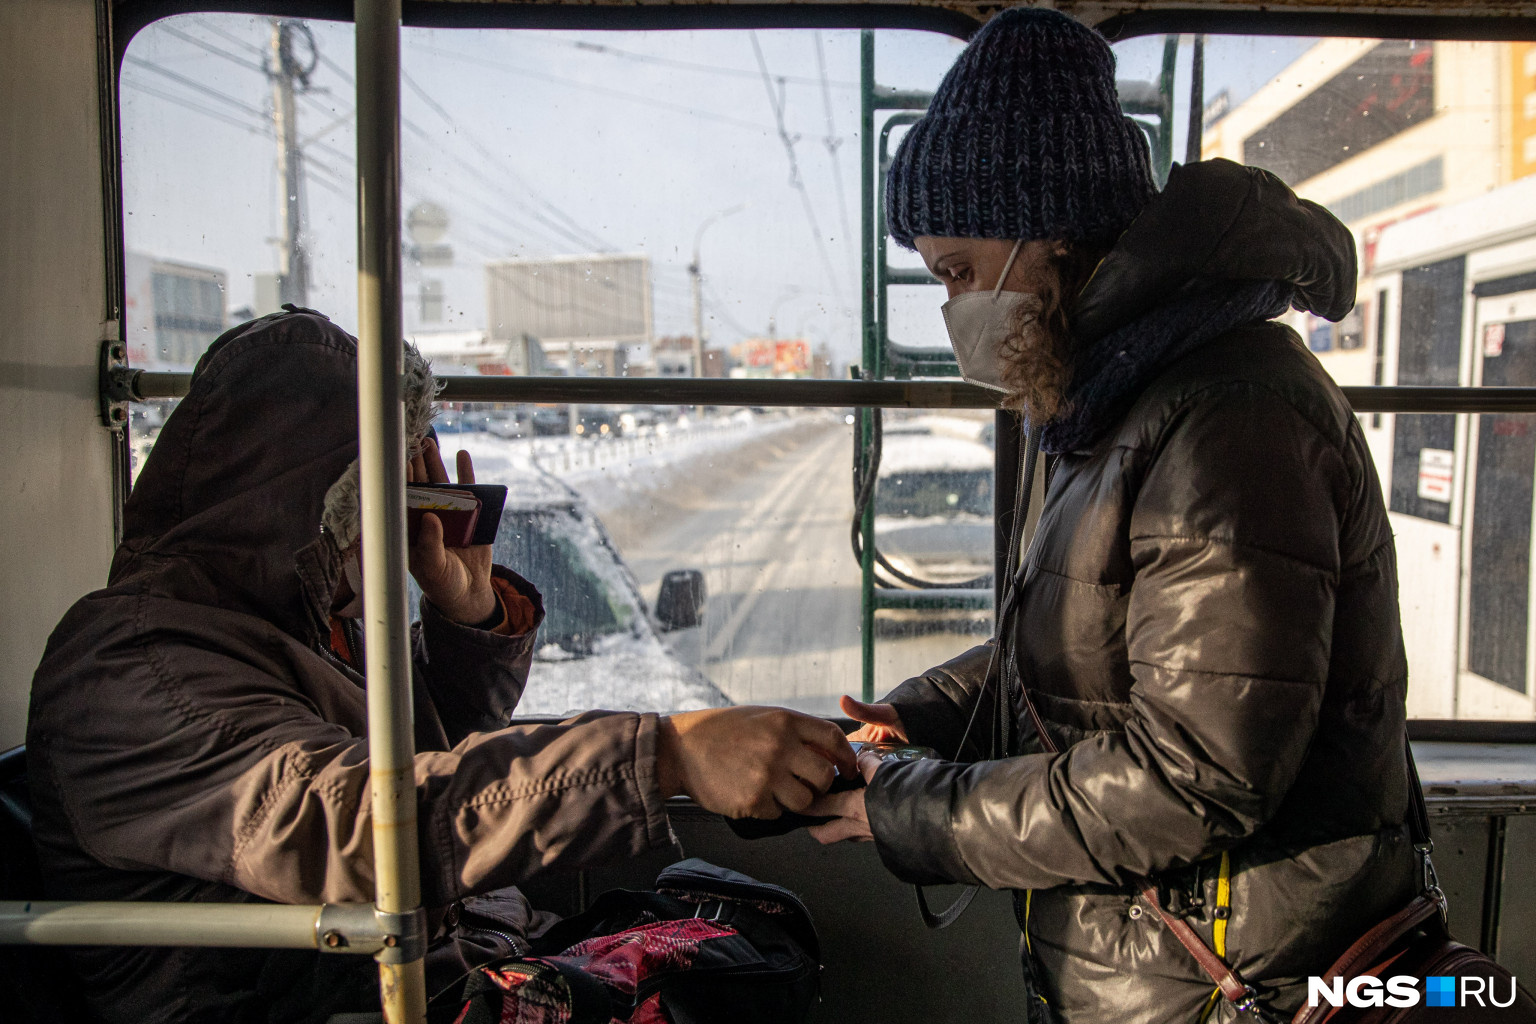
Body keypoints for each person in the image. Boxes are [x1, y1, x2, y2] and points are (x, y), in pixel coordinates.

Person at [806, 10, 1416, 1023]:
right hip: (1163, 968)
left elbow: (1198, 774)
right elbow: (1067, 662)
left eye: (958, 269)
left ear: (1049, 232)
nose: (952, 305)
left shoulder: (1227, 418)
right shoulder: (1108, 397)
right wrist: (912, 720)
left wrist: (908, 810)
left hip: (1244, 984)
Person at [25, 307, 855, 1024]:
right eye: (378, 504)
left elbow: (432, 767)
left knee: (754, 927)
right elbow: (356, 827)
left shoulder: (284, 626)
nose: (398, 533)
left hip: (432, 968)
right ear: (313, 511)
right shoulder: (135, 666)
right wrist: (662, 754)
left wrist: (468, 616)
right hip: (326, 1000)